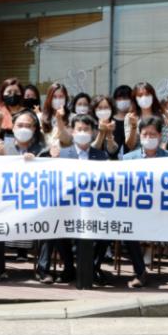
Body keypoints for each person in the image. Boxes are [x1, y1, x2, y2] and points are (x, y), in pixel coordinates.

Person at [121, 116, 168, 285]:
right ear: (139, 135)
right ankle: (140, 272)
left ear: (160, 136)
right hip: (138, 214)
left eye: (153, 134)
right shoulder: (128, 159)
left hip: (165, 213)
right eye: (145, 134)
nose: (149, 137)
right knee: (127, 230)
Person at [52, 114, 113, 286]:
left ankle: (93, 268)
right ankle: (69, 268)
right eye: (79, 129)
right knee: (55, 226)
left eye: (86, 129)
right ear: (72, 131)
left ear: (93, 133)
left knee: (109, 228)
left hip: (94, 209)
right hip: (68, 208)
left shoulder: (101, 156)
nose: (83, 132)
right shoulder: (62, 155)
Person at [0, 110, 46, 282]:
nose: (23, 129)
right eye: (20, 125)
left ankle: (43, 270)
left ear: (35, 129)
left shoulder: (43, 150)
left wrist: (36, 163)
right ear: (13, 127)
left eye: (28, 126)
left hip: (34, 203)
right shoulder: (2, 147)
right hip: (7, 201)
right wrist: (1, 157)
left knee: (49, 223)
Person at [125, 82, 168, 151]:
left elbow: (164, 143)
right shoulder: (130, 117)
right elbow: (130, 145)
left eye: (147, 94)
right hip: (137, 155)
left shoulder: (162, 117)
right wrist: (133, 126)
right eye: (140, 95)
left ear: (153, 96)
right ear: (135, 99)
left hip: (158, 155)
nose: (144, 97)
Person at [0, 78, 25, 149]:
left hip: (22, 153)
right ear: (3, 94)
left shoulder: (27, 113)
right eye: (9, 92)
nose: (12, 95)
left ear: (21, 94)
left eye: (16, 92)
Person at [40, 83, 73, 148]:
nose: (58, 100)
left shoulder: (72, 118)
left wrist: (59, 119)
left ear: (65, 98)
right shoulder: (41, 117)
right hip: (46, 153)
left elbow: (66, 140)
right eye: (54, 97)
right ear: (49, 99)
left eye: (61, 97)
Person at [112, 85, 133, 156]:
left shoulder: (134, 119)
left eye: (125, 98)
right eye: (119, 99)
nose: (122, 101)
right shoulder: (110, 120)